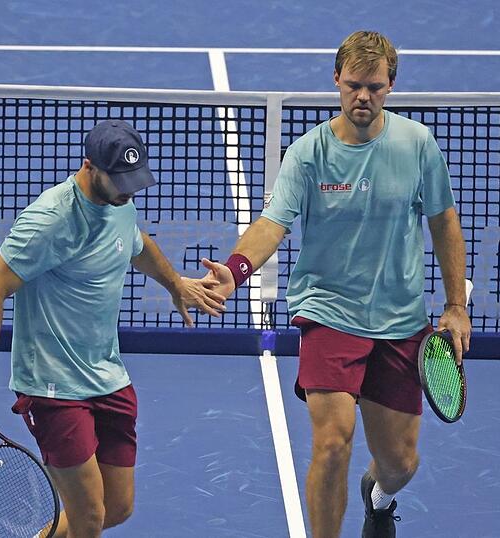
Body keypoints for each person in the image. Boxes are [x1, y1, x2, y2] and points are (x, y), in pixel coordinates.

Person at [201, 30, 471, 538]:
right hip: (328, 312)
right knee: (331, 443)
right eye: (353, 85)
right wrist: (235, 272)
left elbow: (443, 220)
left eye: (374, 86)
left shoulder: (417, 144)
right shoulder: (308, 153)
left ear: (391, 85)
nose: (362, 96)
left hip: (400, 319)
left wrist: (456, 305)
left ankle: (379, 496)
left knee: (400, 463)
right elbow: (272, 223)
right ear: (336, 81)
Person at [0, 119, 226, 537]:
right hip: (53, 387)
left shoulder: (120, 202)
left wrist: (176, 285)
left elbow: (136, 242)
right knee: (88, 518)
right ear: (89, 167)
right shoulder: (49, 221)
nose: (128, 191)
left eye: (133, 180)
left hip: (107, 375)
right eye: (119, 180)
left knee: (116, 507)